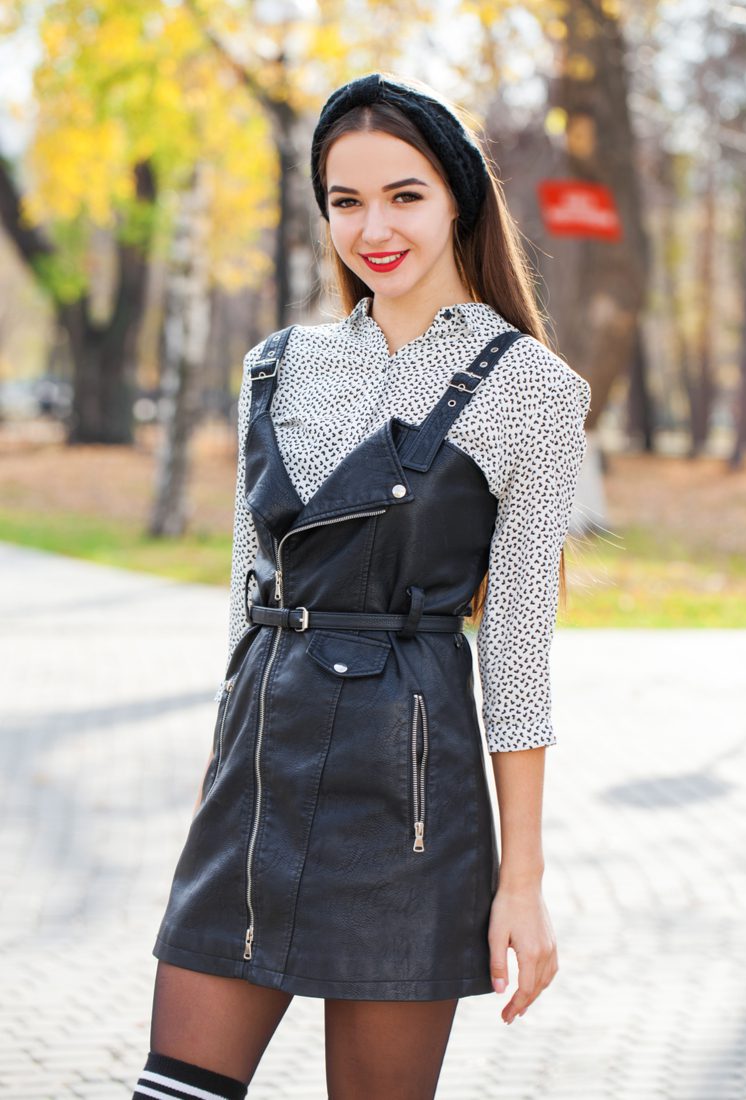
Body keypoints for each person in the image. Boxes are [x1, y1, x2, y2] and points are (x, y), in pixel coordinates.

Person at [132, 71, 591, 1100]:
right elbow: (244, 598)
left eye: (403, 195)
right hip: (258, 781)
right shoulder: (275, 365)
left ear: (459, 198)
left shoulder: (531, 389)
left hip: (407, 800)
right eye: (345, 200)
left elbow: (515, 651)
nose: (372, 227)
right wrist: (227, 769)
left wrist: (521, 882)